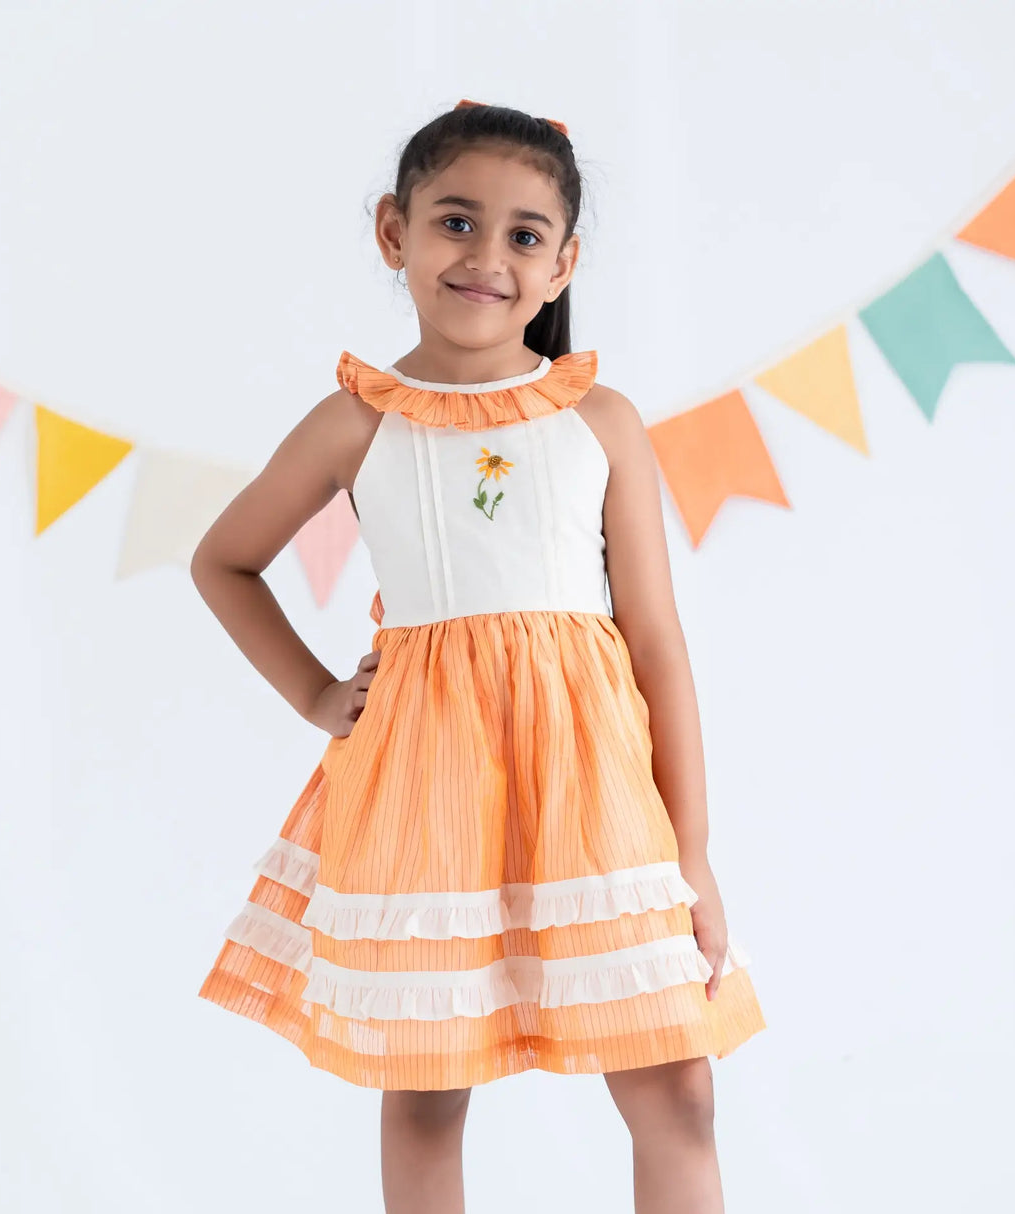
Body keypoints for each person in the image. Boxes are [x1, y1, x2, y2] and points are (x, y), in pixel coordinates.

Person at [193, 98, 766, 1214]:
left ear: (561, 265)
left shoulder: (597, 419)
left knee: (676, 1087)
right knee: (424, 1087)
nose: (485, 257)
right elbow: (225, 560)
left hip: (594, 789)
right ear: (391, 232)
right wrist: (316, 692)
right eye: (456, 221)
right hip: (423, 788)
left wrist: (689, 849)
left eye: (521, 235)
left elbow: (654, 640)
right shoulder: (355, 423)